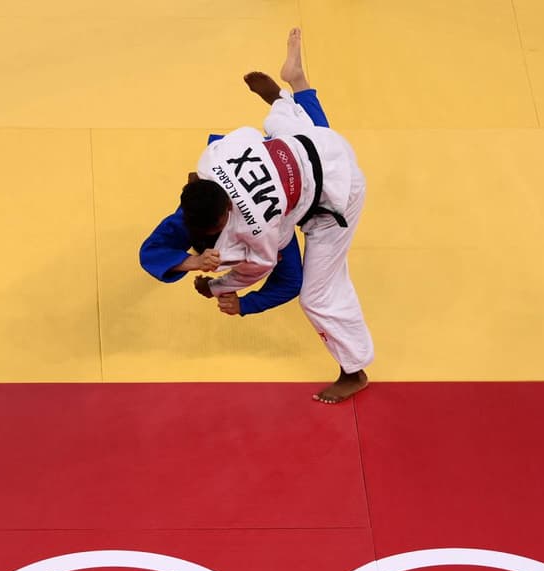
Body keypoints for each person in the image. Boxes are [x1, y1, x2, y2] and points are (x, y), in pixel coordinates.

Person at [181, 28, 374, 404]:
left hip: (339, 191)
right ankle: (291, 91)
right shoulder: (213, 158)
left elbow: (268, 271)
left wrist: (219, 289)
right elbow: (237, 141)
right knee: (282, 139)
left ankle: (355, 371)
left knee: (316, 296)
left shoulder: (261, 226)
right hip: (315, 144)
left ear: (225, 214)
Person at [138, 28, 332, 320]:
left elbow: (287, 280)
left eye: (216, 226)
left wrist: (240, 301)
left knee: (324, 151)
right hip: (259, 166)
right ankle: (292, 88)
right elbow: (149, 253)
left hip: (282, 181)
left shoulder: (267, 230)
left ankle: (292, 88)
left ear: (228, 207)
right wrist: (192, 261)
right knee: (320, 143)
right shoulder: (191, 214)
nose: (215, 231)